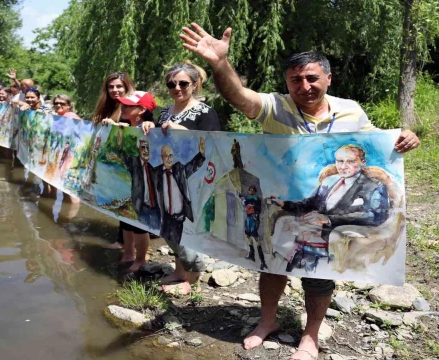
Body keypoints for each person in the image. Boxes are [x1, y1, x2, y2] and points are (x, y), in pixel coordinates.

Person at [180, 23, 420, 360]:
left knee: (319, 278)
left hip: (328, 226)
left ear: (328, 78)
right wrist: (220, 64)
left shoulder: (352, 111)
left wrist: (404, 138)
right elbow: (239, 97)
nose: (304, 86)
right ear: (287, 83)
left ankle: (310, 336)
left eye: (311, 78)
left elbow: (378, 146)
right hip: (295, 213)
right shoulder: (276, 107)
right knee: (271, 266)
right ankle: (267, 323)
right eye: (296, 80)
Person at [141, 62, 219, 295]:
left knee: (188, 227)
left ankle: (192, 277)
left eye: (183, 83)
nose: (177, 88)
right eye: (172, 84)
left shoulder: (206, 112)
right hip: (167, 178)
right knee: (169, 224)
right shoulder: (165, 111)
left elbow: (214, 144)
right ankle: (179, 270)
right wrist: (149, 125)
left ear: (195, 85)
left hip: (193, 179)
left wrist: (183, 131)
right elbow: (158, 140)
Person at [101, 91, 157, 273]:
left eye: (128, 105)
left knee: (139, 225)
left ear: (141, 110)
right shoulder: (126, 126)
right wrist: (112, 124)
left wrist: (152, 125)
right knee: (125, 220)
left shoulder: (149, 128)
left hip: (142, 185)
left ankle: (141, 258)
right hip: (126, 183)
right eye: (123, 104)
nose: (123, 107)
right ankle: (128, 253)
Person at [92, 72, 137, 249]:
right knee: (119, 200)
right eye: (111, 87)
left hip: (128, 163)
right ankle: (125, 241)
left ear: (127, 87)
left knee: (128, 202)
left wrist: (127, 126)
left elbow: (145, 125)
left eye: (119, 86)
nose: (115, 90)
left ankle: (128, 244)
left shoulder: (132, 106)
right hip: (113, 164)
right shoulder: (106, 107)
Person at [240, 185, 266, 270]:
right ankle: (252, 255)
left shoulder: (257, 199)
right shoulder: (247, 198)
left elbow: (258, 210)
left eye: (252, 190)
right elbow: (244, 205)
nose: (251, 191)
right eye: (250, 190)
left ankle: (263, 262)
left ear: (255, 191)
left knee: (256, 238)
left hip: (254, 219)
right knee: (248, 236)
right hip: (248, 219)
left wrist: (253, 207)